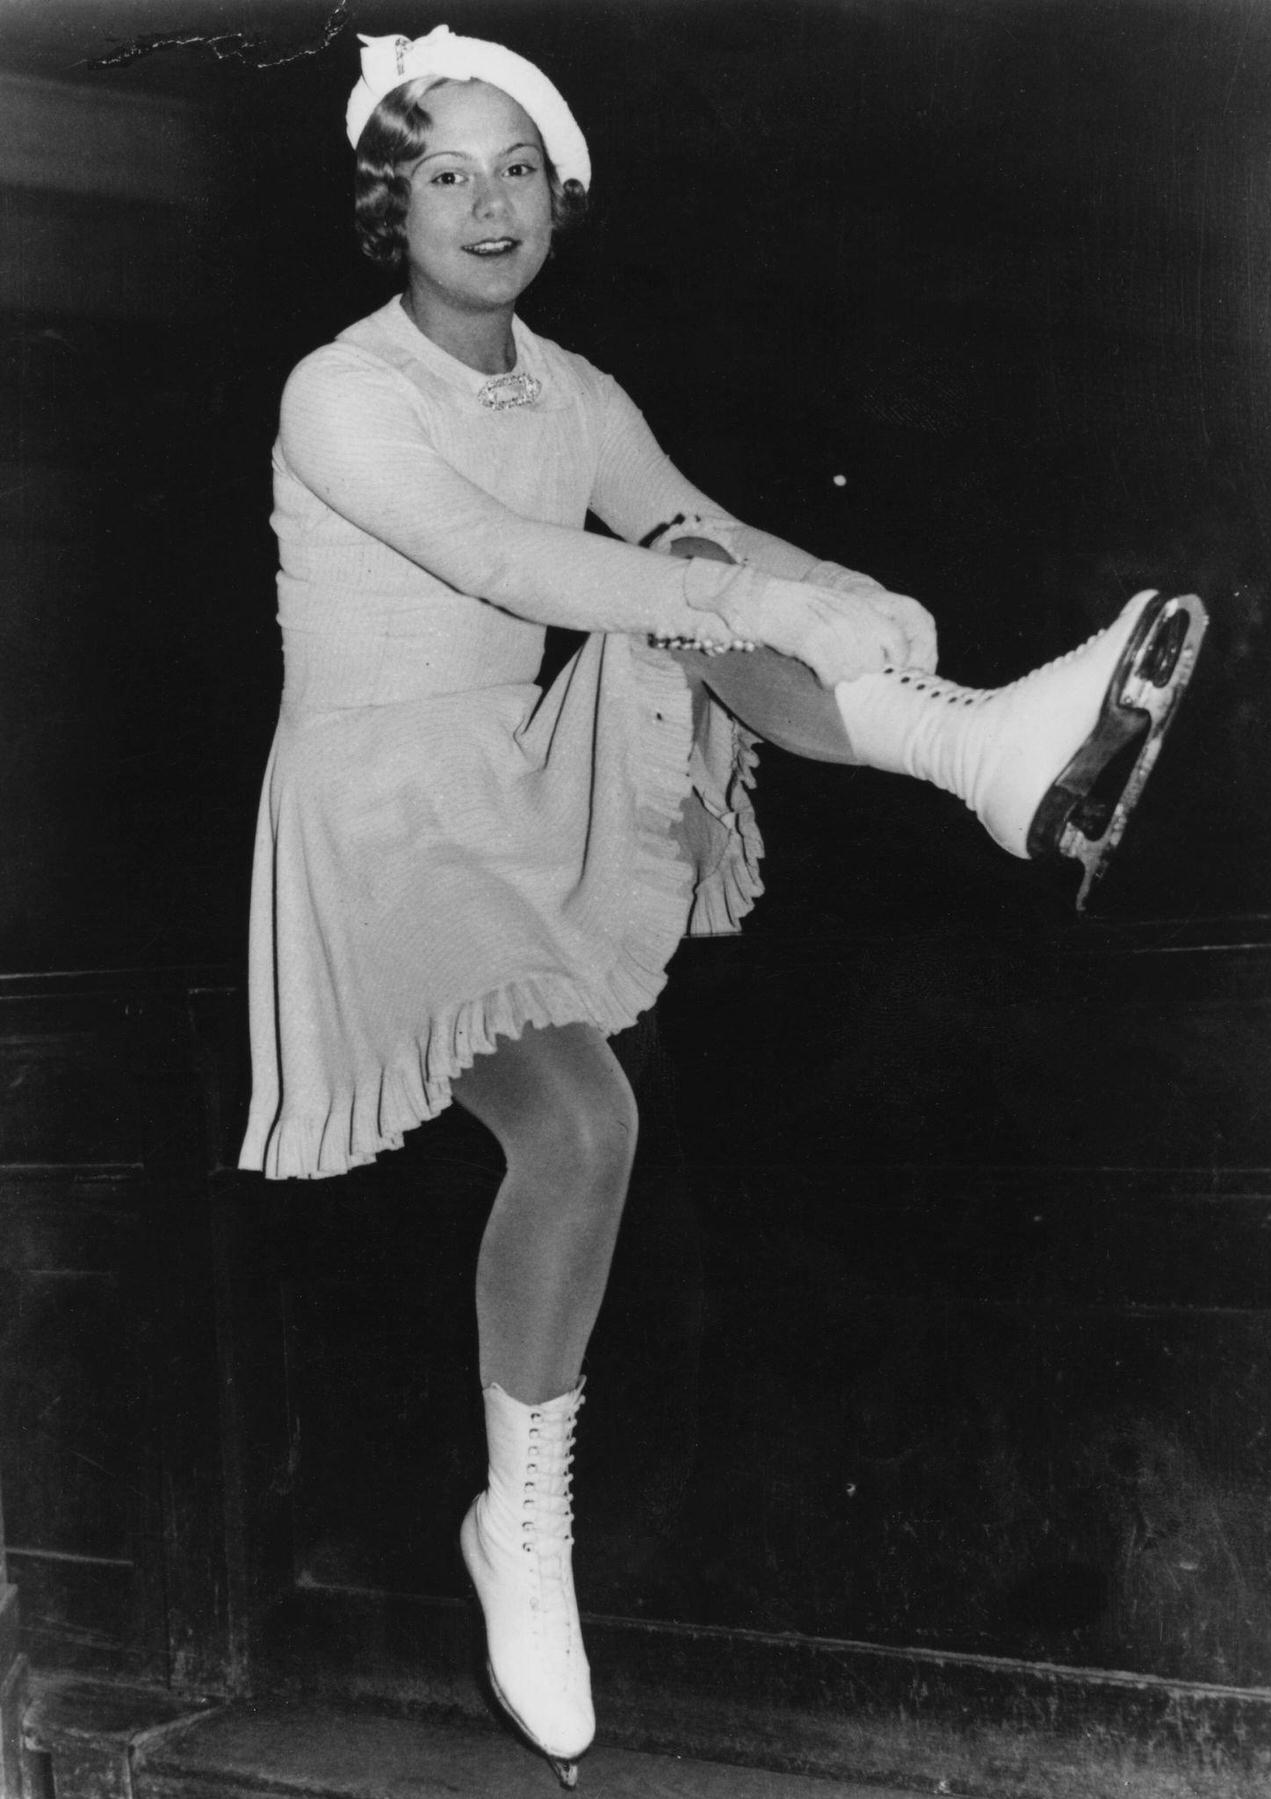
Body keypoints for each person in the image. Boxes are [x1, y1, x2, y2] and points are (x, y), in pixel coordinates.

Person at [238, 24, 1205, 1786]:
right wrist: (782, 608)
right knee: (585, 1127)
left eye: (518, 168)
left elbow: (698, 528)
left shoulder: (577, 391)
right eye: (445, 169)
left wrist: (858, 595)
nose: (487, 201)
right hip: (377, 819)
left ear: (560, 196)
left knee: (696, 577)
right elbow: (515, 565)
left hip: (520, 778)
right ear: (392, 201)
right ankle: (516, 1530)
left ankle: (981, 744)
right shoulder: (340, 389)